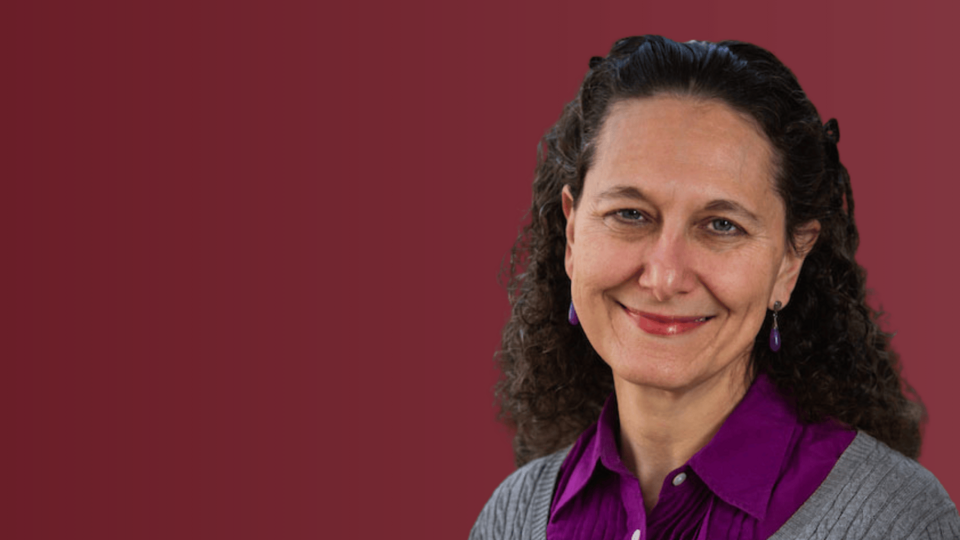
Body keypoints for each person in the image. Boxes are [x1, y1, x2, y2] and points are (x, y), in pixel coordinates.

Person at [470, 36, 959, 540]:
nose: (664, 278)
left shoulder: (896, 522)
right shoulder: (512, 517)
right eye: (630, 214)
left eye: (722, 225)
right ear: (573, 234)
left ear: (790, 261)